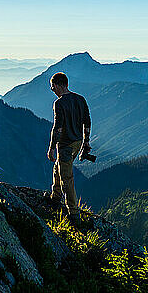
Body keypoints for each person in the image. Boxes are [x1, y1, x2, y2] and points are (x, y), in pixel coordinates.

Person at [47, 72, 91, 224]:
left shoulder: (59, 103)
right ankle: (55, 196)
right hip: (77, 143)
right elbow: (87, 122)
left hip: (65, 145)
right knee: (58, 168)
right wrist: (86, 142)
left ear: (59, 85)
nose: (53, 90)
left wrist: (52, 147)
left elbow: (57, 128)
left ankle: (74, 215)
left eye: (53, 87)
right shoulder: (80, 99)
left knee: (67, 178)